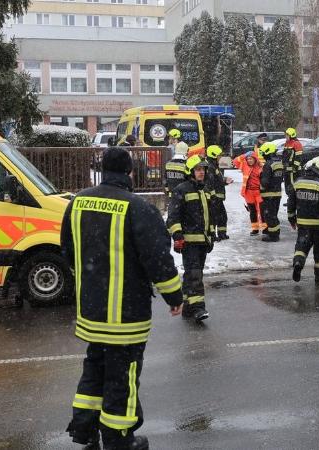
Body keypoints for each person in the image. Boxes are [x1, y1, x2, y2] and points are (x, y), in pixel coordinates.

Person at [61, 148, 184, 450]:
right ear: (130, 172)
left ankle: (84, 429)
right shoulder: (138, 208)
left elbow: (68, 249)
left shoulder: (78, 202)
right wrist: (174, 296)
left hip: (91, 311)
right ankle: (118, 439)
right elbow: (158, 260)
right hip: (125, 316)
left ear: (102, 169)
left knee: (95, 367)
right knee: (122, 376)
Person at [166, 155, 216, 323]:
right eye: (198, 169)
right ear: (191, 171)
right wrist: (178, 235)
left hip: (203, 241)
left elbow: (209, 216)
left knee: (193, 274)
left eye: (203, 169)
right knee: (195, 274)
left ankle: (188, 305)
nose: (201, 172)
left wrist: (212, 235)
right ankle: (198, 308)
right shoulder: (182, 189)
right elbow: (172, 217)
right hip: (189, 242)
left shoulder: (206, 190)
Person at [287, 158, 319, 285]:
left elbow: (291, 203)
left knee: (301, 246)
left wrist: (292, 219)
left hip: (303, 224)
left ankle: (298, 263)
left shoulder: (298, 182)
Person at [233, 150, 266, 235]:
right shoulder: (244, 165)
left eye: (251, 159)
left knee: (261, 211)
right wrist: (244, 155)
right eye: (248, 159)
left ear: (255, 159)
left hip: (258, 192)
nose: (249, 160)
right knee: (252, 211)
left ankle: (265, 229)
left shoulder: (261, 166)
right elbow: (235, 161)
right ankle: (255, 229)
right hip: (248, 192)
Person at [205, 145, 233, 240]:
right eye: (219, 156)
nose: (221, 158)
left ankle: (222, 234)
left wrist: (224, 181)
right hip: (214, 198)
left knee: (222, 217)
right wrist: (213, 196)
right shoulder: (210, 167)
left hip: (218, 198)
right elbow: (209, 183)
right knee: (213, 218)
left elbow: (216, 181)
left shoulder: (214, 166)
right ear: (213, 156)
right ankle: (213, 236)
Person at [258, 142, 285, 242]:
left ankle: (273, 236)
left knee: (269, 215)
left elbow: (265, 182)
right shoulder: (279, 163)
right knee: (273, 215)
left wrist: (260, 187)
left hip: (268, 195)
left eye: (263, 153)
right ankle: (275, 233)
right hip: (277, 193)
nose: (263, 155)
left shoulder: (268, 165)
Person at [282, 128, 304, 199]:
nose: (286, 136)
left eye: (287, 135)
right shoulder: (287, 143)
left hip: (293, 171)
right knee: (288, 186)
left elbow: (299, 157)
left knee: (293, 186)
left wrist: (295, 167)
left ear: (291, 135)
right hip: (287, 170)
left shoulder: (296, 143)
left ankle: (295, 201)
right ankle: (290, 200)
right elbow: (285, 156)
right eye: (286, 135)